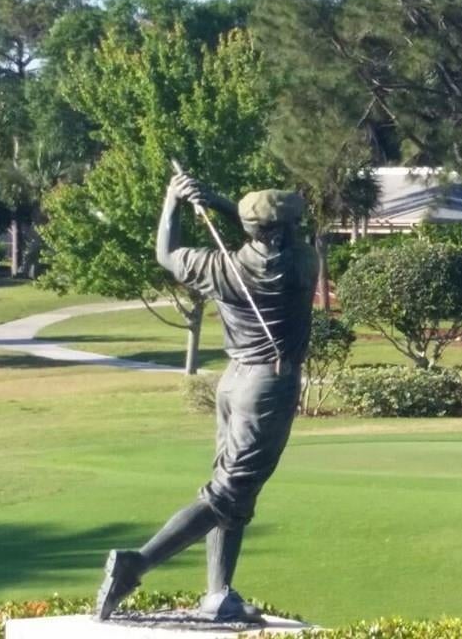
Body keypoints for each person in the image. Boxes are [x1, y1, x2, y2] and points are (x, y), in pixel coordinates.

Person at [94, 173, 317, 622]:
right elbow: (276, 236)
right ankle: (137, 563)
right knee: (228, 492)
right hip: (268, 387)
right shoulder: (302, 265)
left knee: (234, 488)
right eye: (293, 222)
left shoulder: (220, 267)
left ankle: (218, 593)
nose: (299, 226)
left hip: (233, 383)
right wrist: (217, 202)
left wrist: (175, 200)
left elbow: (166, 253)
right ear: (282, 231)